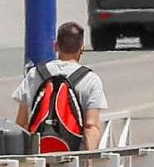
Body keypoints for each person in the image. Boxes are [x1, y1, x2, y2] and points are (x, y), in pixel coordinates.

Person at [12, 21, 108, 151]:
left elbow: (22, 123)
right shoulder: (90, 79)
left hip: (38, 155)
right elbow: (91, 126)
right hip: (73, 157)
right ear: (82, 48)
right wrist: (89, 163)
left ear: (56, 46)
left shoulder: (35, 74)